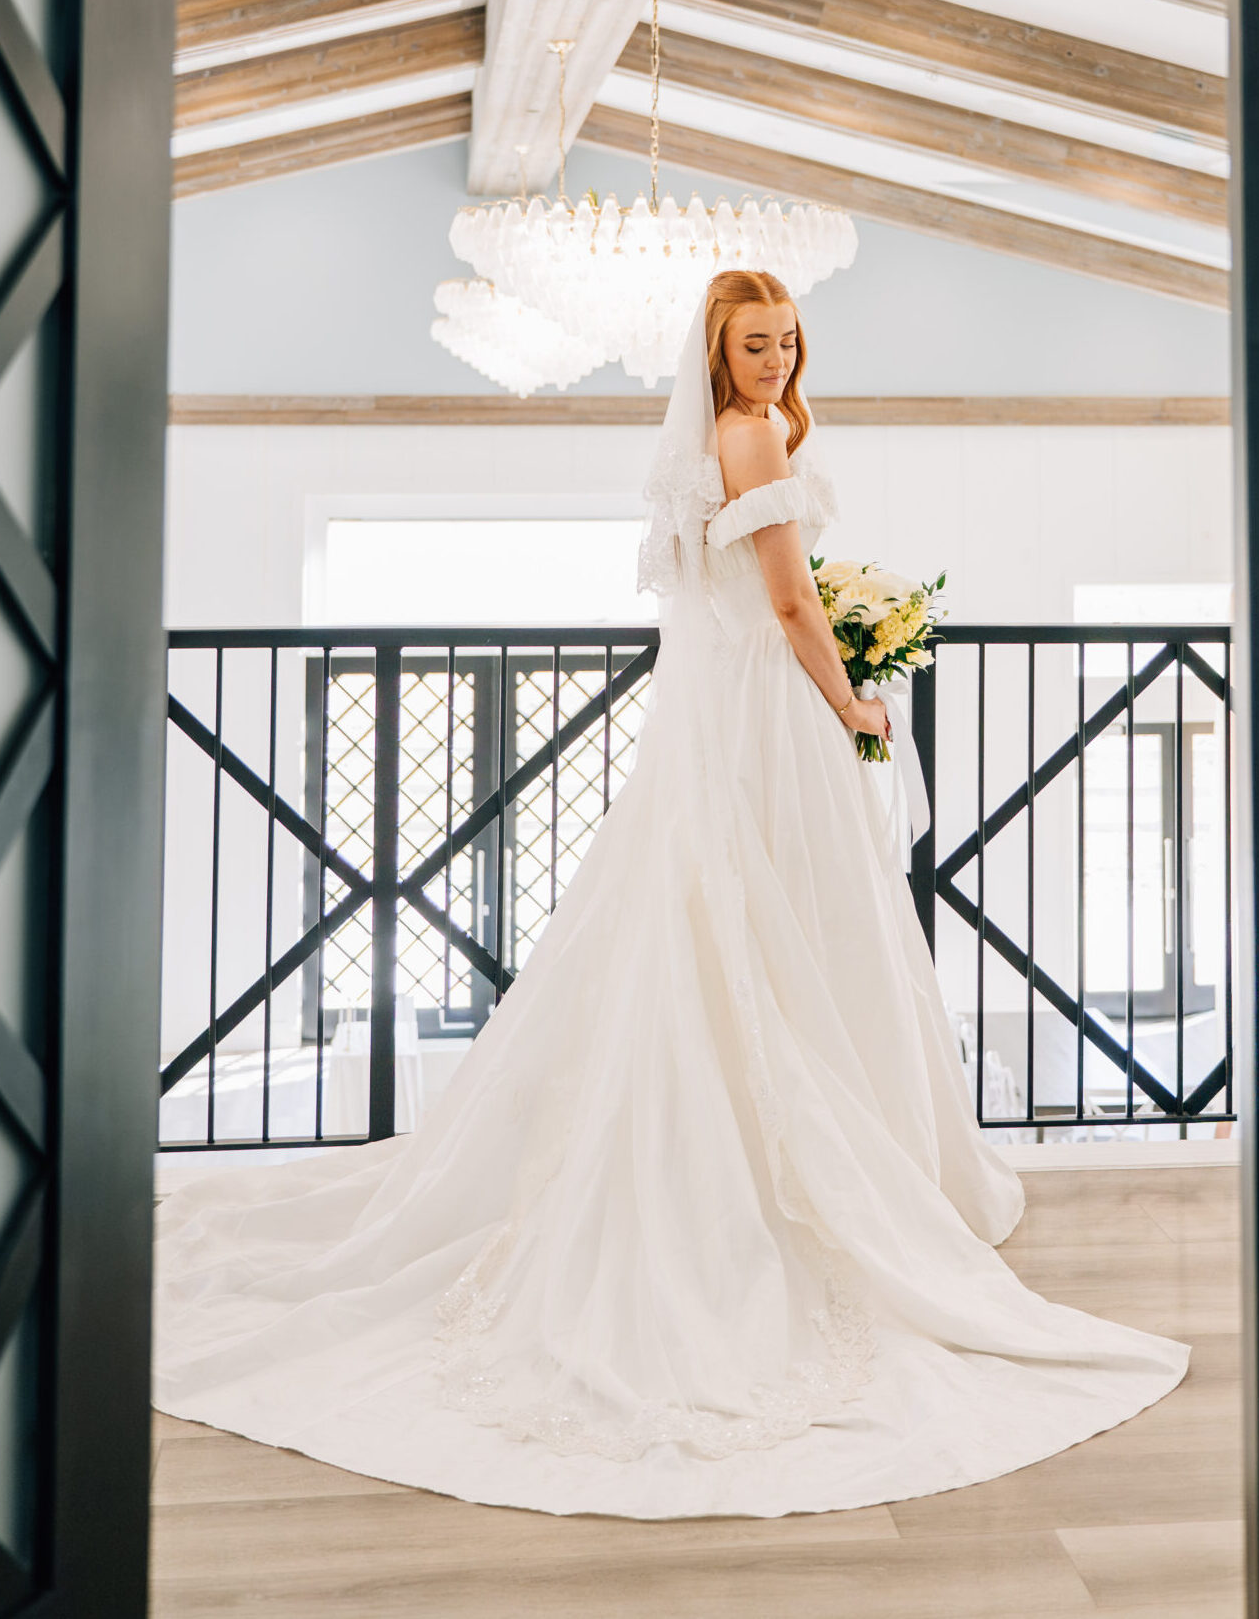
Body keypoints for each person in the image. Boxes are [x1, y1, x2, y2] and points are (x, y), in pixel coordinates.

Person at [153, 269, 1186, 1520]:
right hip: (765, 714)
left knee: (725, 930)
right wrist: (853, 698)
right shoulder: (751, 436)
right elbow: (792, 599)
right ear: (716, 351)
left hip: (720, 715)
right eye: (754, 343)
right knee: (783, 929)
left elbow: (758, 589)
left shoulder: (725, 440)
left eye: (788, 340)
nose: (773, 358)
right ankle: (783, 1187)